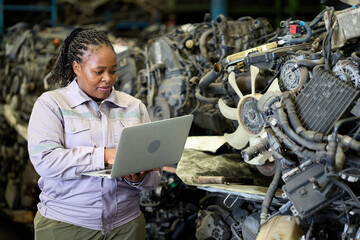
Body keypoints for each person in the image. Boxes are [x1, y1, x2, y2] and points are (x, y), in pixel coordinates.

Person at [27, 28, 161, 240]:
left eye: (113, 70)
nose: (108, 79)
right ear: (77, 67)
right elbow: (45, 160)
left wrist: (138, 179)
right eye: (99, 72)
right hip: (66, 225)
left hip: (126, 226)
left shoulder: (134, 107)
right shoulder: (52, 104)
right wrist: (106, 155)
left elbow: (154, 178)